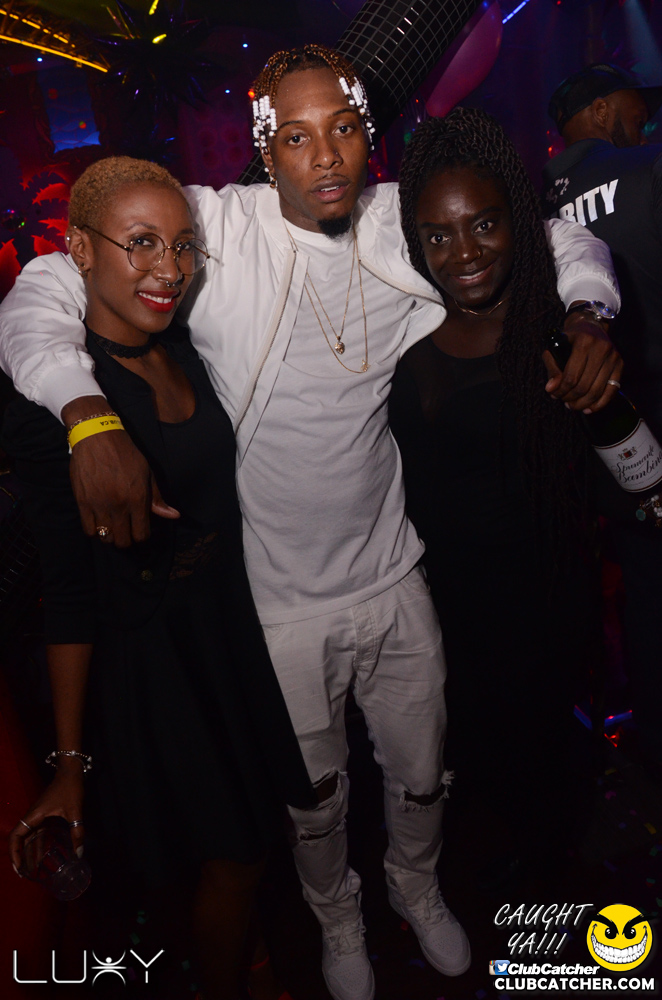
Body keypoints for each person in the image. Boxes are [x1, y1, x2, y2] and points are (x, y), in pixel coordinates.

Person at [0, 45, 623, 1000]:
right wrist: (84, 413)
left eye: (342, 129)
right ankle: (337, 917)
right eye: (295, 137)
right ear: (266, 149)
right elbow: (45, 286)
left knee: (423, 769)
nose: (324, 156)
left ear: (368, 134)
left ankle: (416, 886)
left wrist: (588, 313)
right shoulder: (213, 228)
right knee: (316, 797)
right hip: (279, 600)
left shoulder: (402, 225)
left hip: (393, 571)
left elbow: (550, 236)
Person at [2, 156, 315, 1000]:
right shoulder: (58, 408)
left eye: (181, 245)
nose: (168, 269)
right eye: (140, 243)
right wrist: (70, 760)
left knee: (260, 842)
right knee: (233, 858)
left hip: (233, 635)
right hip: (154, 668)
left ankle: (250, 964)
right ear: (79, 251)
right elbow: (68, 596)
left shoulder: (187, 344)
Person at [391, 107, 608, 880]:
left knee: (549, 779)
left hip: (547, 598)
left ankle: (550, 890)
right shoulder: (402, 335)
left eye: (484, 225)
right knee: (472, 780)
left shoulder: (559, 330)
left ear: (516, 218)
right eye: (438, 235)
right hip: (441, 610)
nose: (464, 253)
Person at [543, 63, 662, 773]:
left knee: (643, 590)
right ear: (597, 109)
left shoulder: (529, 201)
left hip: (594, 431)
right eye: (633, 104)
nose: (644, 116)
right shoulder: (648, 168)